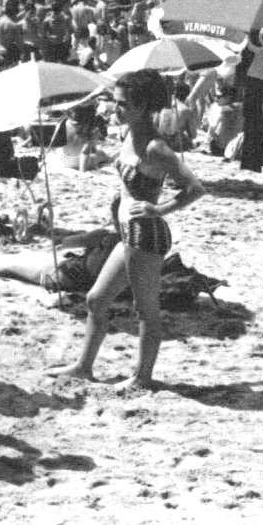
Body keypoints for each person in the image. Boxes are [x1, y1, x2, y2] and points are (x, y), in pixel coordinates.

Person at [52, 70, 205, 392]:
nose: (116, 109)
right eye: (115, 103)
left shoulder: (155, 148)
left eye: (123, 105)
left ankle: (142, 378)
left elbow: (194, 189)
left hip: (146, 236)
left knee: (146, 311)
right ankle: (84, 366)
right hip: (128, 234)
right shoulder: (127, 137)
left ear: (143, 105)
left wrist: (159, 208)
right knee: (96, 299)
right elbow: (126, 187)